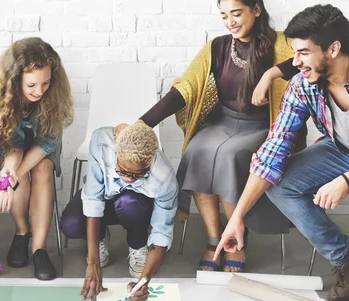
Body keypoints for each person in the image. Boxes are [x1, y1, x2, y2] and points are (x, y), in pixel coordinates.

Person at [119, 0, 304, 273]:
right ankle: (214, 239)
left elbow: (307, 58)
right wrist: (141, 125)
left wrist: (271, 74)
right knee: (197, 150)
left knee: (228, 156)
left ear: (256, 9)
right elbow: (183, 90)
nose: (230, 22)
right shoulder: (217, 47)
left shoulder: (282, 43)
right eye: (224, 16)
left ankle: (236, 242)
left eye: (237, 13)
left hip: (263, 126)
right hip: (223, 123)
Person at [216, 4, 349, 301]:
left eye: (303, 52)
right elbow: (274, 148)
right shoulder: (303, 86)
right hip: (340, 149)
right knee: (281, 184)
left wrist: (346, 180)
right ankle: (345, 259)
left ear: (333, 49)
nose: (295, 62)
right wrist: (237, 217)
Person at [0, 37, 74, 281]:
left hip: (41, 143)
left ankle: (39, 248)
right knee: (18, 173)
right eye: (31, 84)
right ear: (14, 78)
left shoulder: (53, 95)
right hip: (2, 143)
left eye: (46, 83)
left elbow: (48, 141)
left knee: (42, 169)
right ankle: (22, 232)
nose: (39, 91)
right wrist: (11, 171)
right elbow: (7, 145)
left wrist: (12, 176)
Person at [60, 122, 178, 301]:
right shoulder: (101, 142)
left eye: (138, 174)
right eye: (122, 170)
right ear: (116, 152)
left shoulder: (165, 179)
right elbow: (93, 198)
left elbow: (161, 232)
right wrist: (93, 263)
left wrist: (143, 282)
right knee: (71, 224)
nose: (128, 179)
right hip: (105, 199)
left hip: (135, 208)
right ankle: (100, 237)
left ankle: (138, 243)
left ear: (150, 161)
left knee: (129, 202)